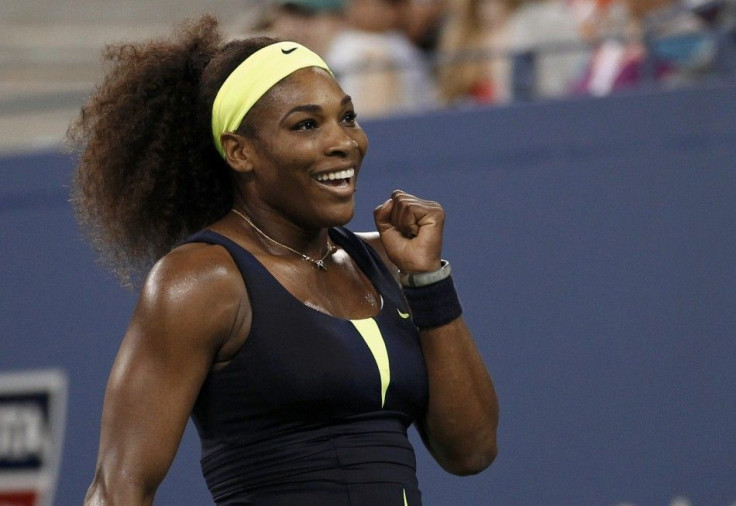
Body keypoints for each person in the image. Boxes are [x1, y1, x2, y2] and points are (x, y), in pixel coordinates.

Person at [69, 14, 498, 505]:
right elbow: (117, 488)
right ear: (239, 152)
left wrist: (428, 281)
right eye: (307, 125)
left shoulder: (385, 260)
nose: (343, 142)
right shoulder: (202, 280)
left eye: (348, 117)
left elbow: (472, 451)